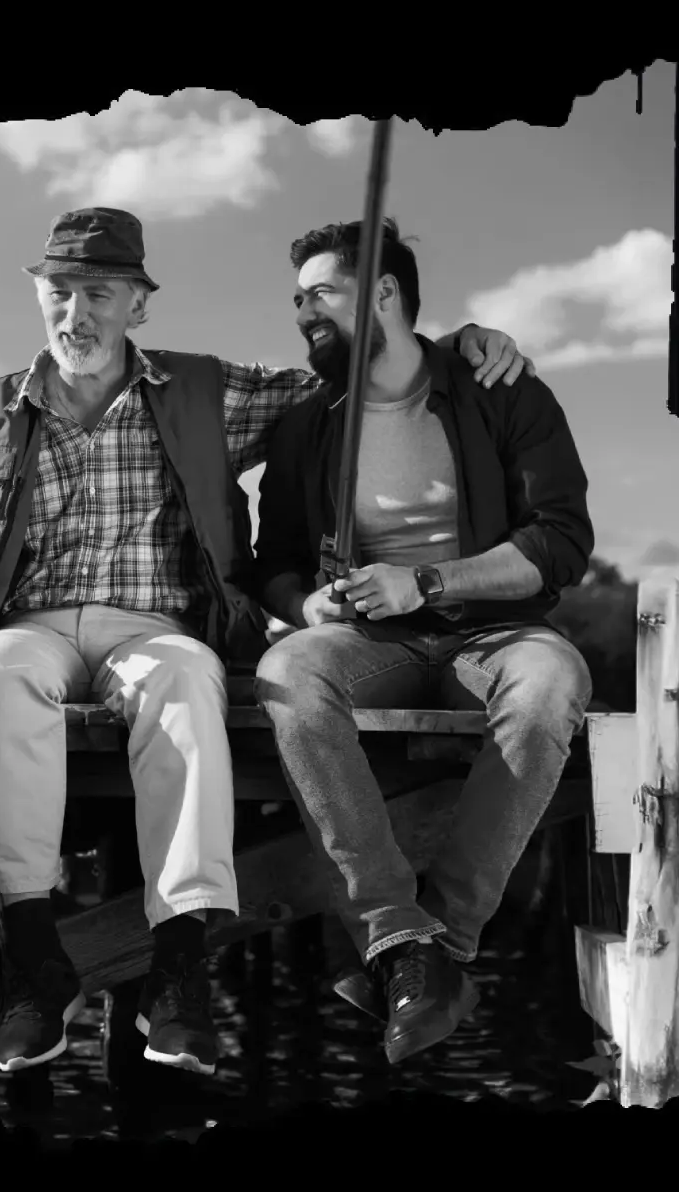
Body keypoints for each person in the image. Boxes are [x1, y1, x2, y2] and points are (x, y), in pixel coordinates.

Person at [0, 207, 533, 1078]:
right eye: (60, 293)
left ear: (137, 306)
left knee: (188, 679)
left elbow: (348, 373)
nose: (76, 314)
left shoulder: (206, 389)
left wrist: (451, 341)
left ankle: (180, 966)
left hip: (157, 628)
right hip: (31, 627)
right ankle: (37, 959)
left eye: (99, 294)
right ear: (39, 295)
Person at [253, 218, 594, 1066]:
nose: (304, 312)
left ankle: (432, 946)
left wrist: (431, 580)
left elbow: (561, 540)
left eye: (323, 293)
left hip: (497, 630)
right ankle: (399, 935)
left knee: (550, 688)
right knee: (289, 673)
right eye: (298, 298)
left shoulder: (500, 388)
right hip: (371, 638)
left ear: (385, 295)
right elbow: (275, 565)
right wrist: (310, 606)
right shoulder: (306, 423)